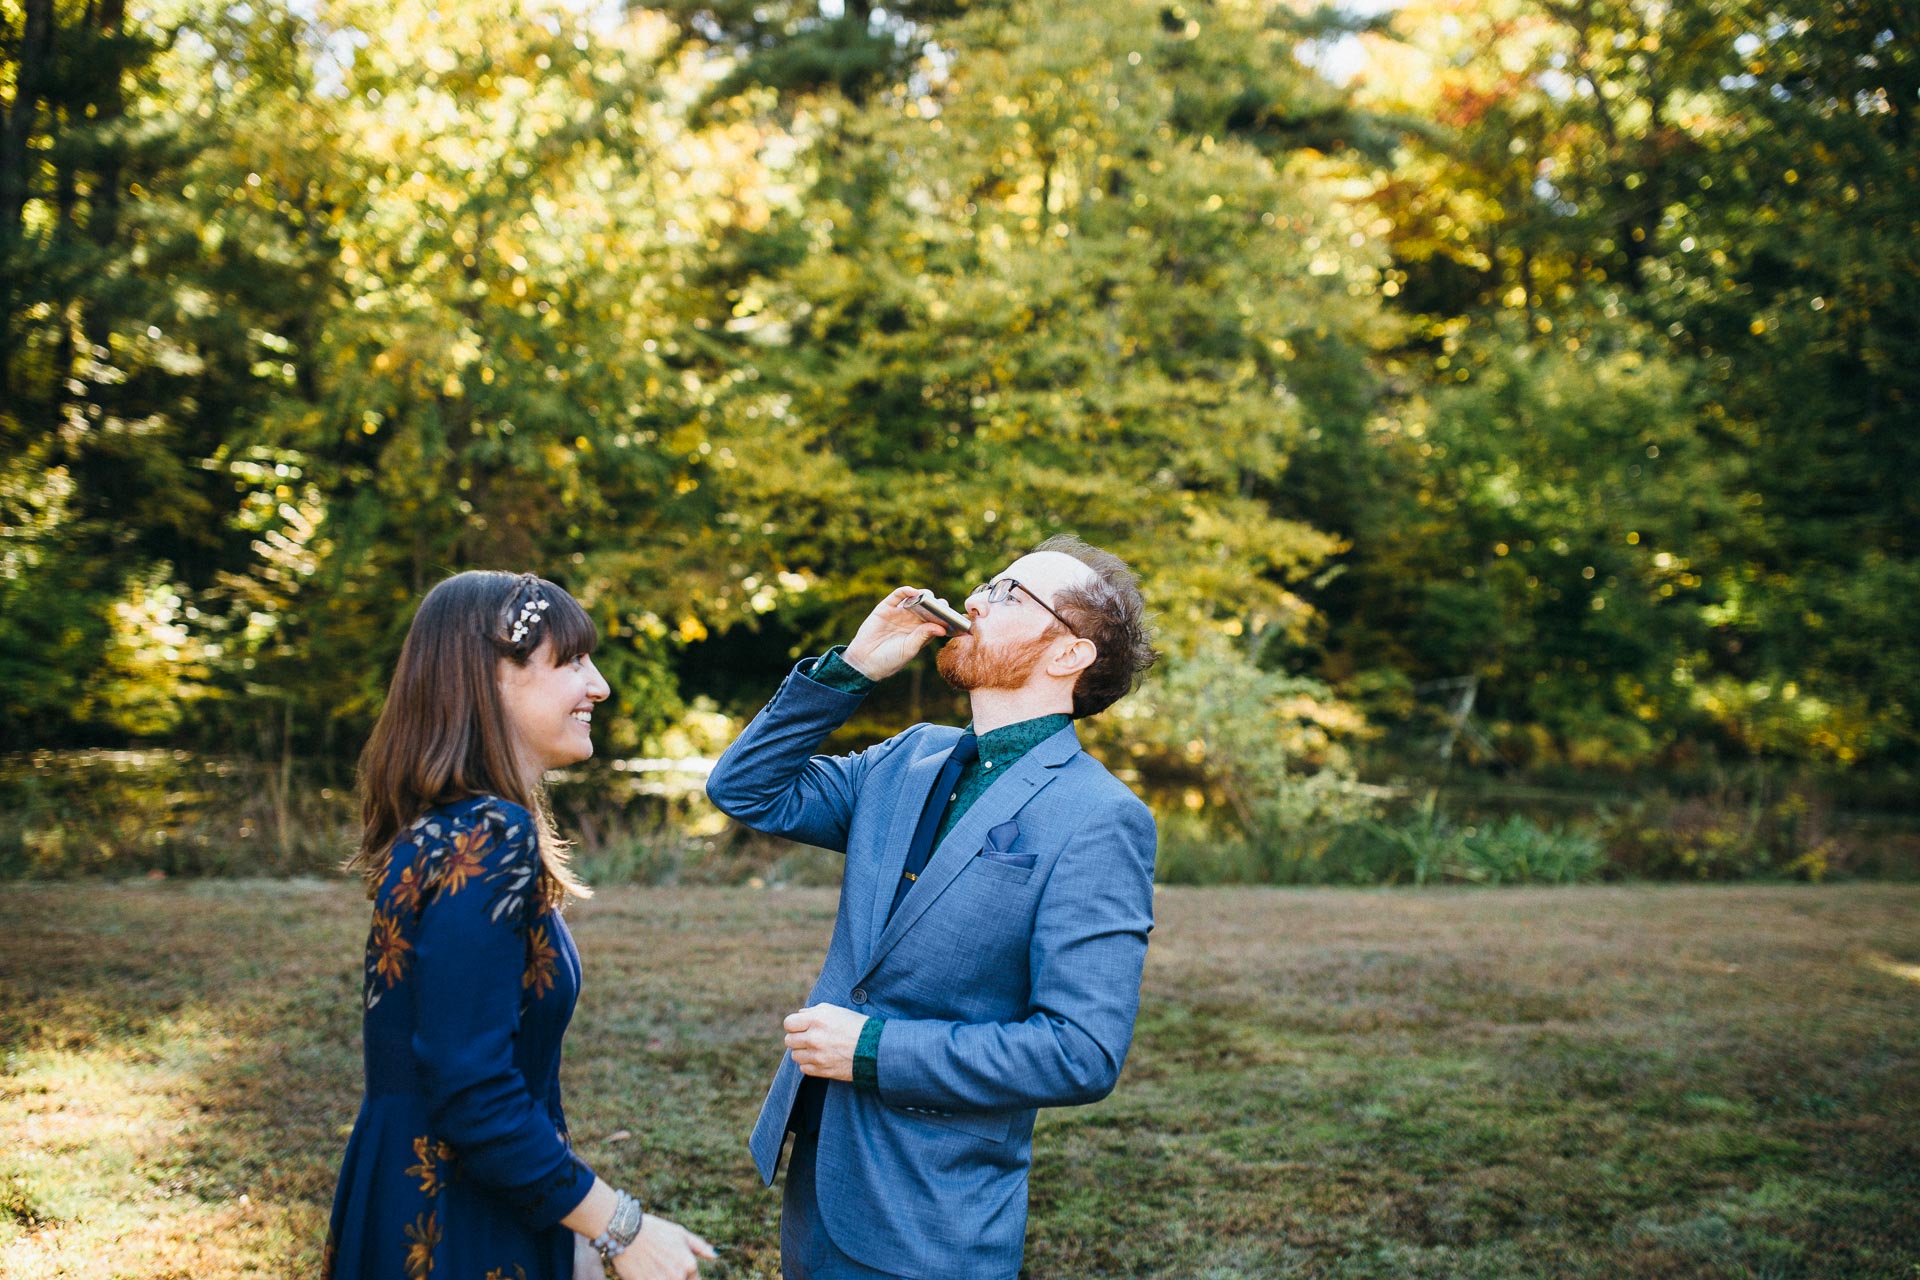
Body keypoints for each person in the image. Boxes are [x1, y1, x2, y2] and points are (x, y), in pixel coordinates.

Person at [706, 535, 1161, 1280]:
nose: (975, 601)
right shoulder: (906, 755)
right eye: (986, 583)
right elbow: (746, 788)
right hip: (819, 1178)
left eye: (1011, 594)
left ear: (1068, 655)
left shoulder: (1099, 817)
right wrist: (851, 669)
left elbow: (1081, 1052)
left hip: (932, 1217)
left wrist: (875, 1051)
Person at [325, 570, 716, 1280]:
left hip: (428, 1187)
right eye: (570, 663)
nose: (597, 686)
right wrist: (618, 1229)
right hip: (451, 1219)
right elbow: (473, 1090)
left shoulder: (443, 828)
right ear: (489, 679)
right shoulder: (489, 831)